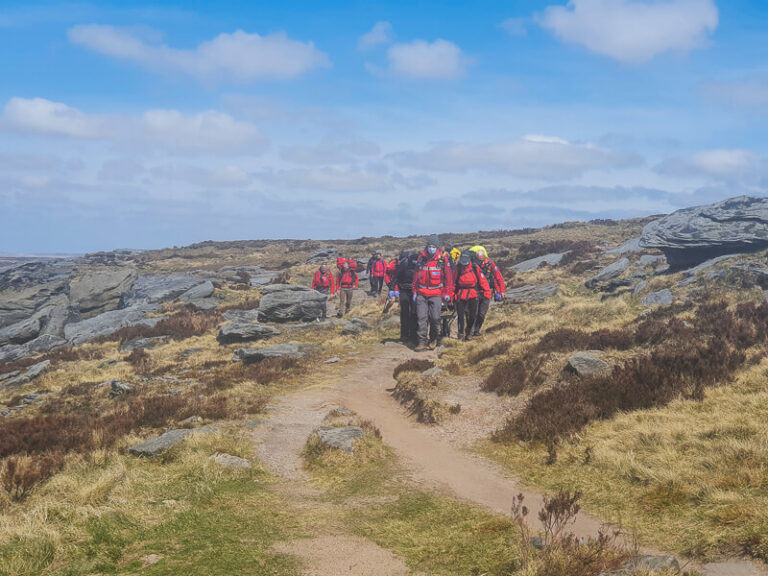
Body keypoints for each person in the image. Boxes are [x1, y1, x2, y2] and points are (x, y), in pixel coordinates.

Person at [412, 235, 454, 351]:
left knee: (435, 318)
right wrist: (414, 292)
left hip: (436, 293)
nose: (431, 248)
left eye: (433, 246)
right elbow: (415, 276)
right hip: (422, 293)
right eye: (429, 246)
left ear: (437, 247)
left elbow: (449, 279)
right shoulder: (421, 259)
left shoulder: (442, 260)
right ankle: (421, 342)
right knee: (421, 318)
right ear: (427, 246)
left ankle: (434, 338)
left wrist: (448, 294)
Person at [454, 252, 491, 341]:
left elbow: (483, 281)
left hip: (473, 293)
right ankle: (461, 333)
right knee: (460, 315)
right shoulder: (458, 269)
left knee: (473, 315)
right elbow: (453, 282)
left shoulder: (475, 268)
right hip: (460, 293)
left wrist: (487, 293)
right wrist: (451, 294)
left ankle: (469, 330)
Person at [471, 247, 506, 336]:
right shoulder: (473, 264)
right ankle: (471, 330)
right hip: (475, 291)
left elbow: (499, 277)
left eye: (482, 259)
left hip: (487, 292)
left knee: (482, 314)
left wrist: (502, 291)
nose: (481, 261)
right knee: (474, 312)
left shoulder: (490, 264)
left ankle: (477, 330)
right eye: (479, 259)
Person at [388, 249, 419, 344]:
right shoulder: (404, 265)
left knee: (414, 313)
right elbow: (396, 276)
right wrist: (392, 289)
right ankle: (404, 335)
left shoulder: (420, 265)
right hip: (404, 290)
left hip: (415, 291)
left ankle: (414, 335)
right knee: (405, 312)